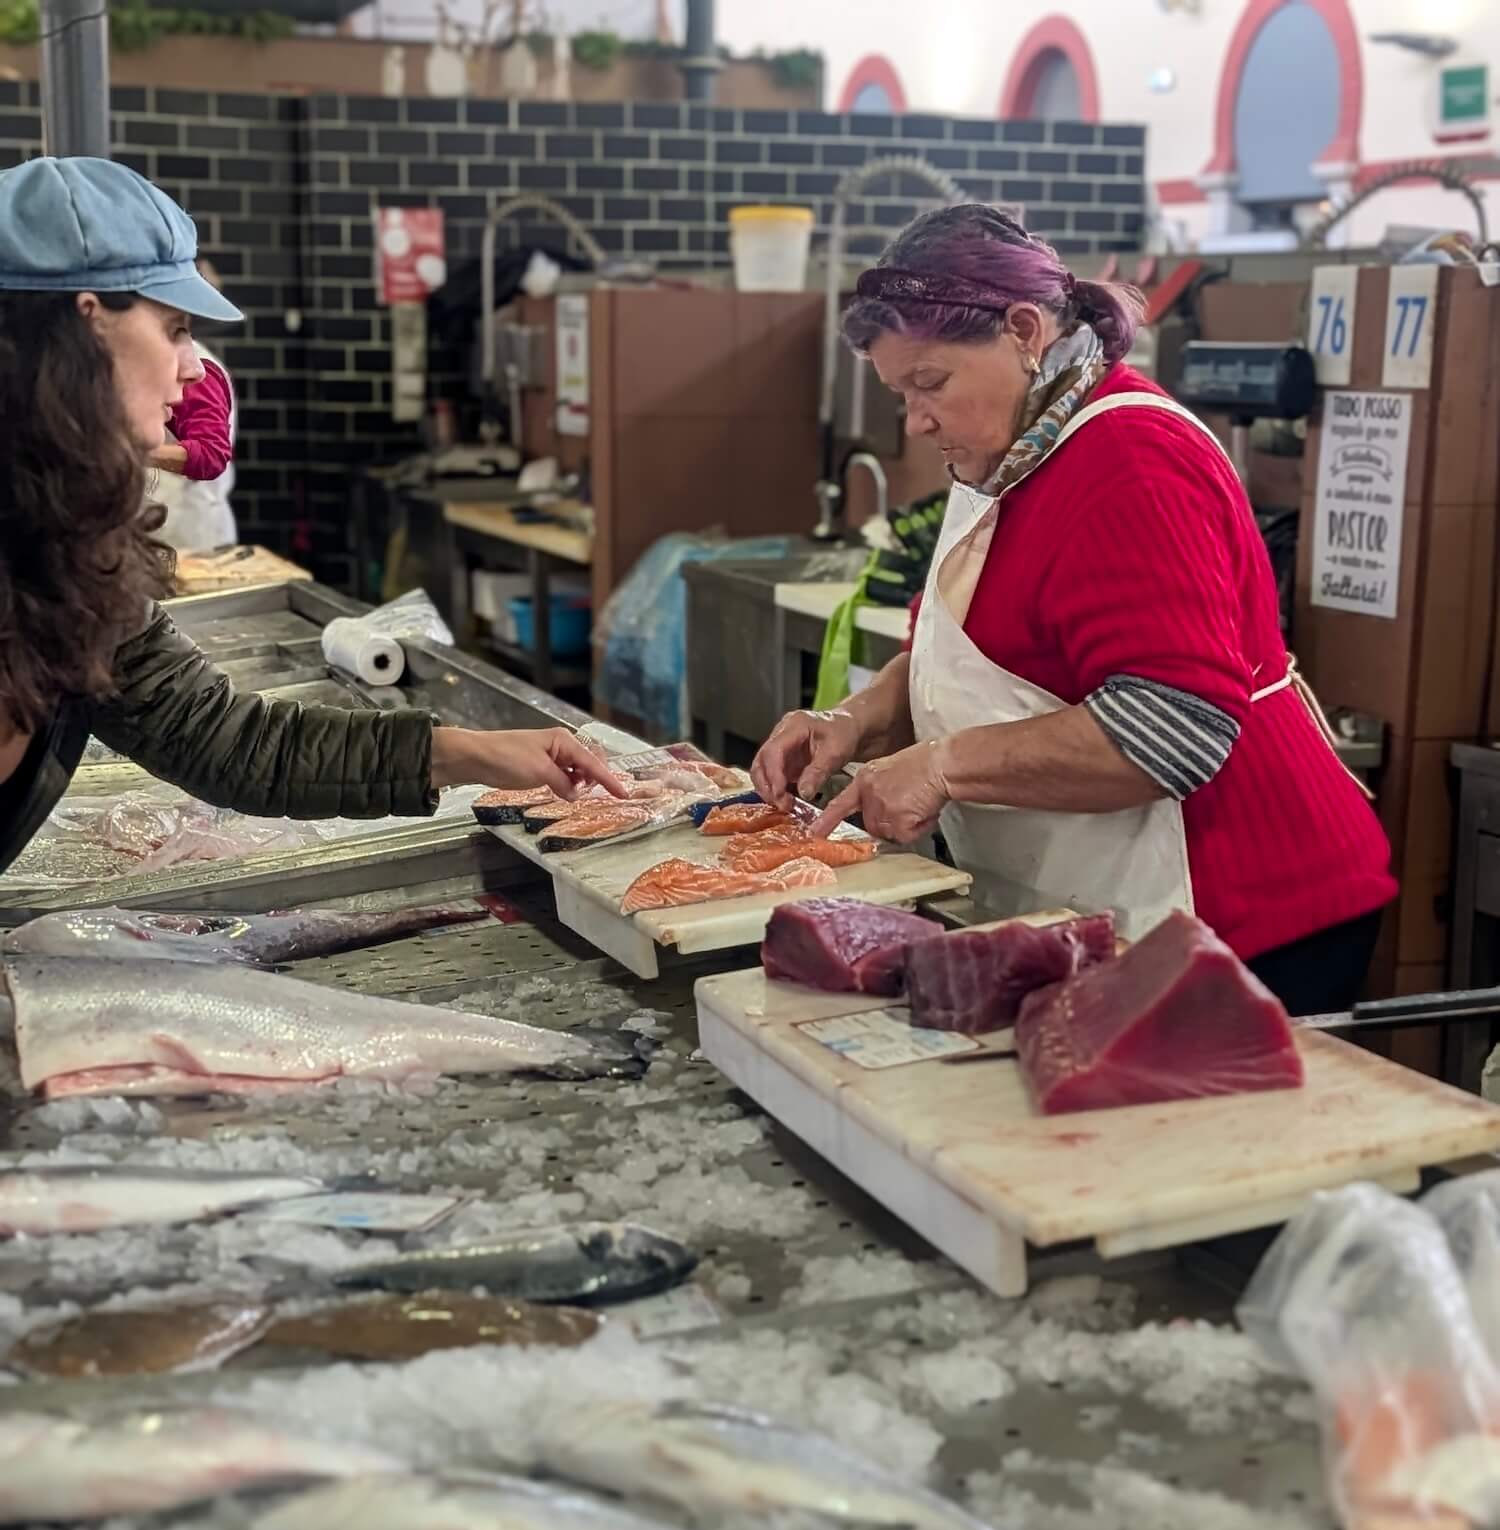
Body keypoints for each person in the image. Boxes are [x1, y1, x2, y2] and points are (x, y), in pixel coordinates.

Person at [752, 206, 1396, 1015]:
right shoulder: (1011, 449)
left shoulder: (1131, 459)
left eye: (930, 383)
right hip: (1103, 906)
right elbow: (974, 657)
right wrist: (853, 718)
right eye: (900, 392)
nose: (914, 420)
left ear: (1024, 330)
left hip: (1243, 913)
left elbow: (1172, 729)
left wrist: (944, 765)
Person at [0, 156, 623, 878]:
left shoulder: (65, 552)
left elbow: (221, 740)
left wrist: (469, 752)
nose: (195, 367)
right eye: (174, 328)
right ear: (88, 323)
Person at [150, 258, 238, 552]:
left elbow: (211, 455)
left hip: (189, 538)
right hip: (149, 535)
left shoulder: (197, 370)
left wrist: (129, 454)